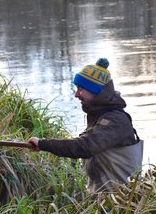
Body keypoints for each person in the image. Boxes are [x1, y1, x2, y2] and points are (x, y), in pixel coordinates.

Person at [27, 58, 143, 193]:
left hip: (122, 201)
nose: (76, 94)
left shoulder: (115, 120)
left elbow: (85, 147)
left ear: (96, 91)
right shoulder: (100, 115)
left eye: (80, 89)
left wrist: (43, 144)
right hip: (104, 199)